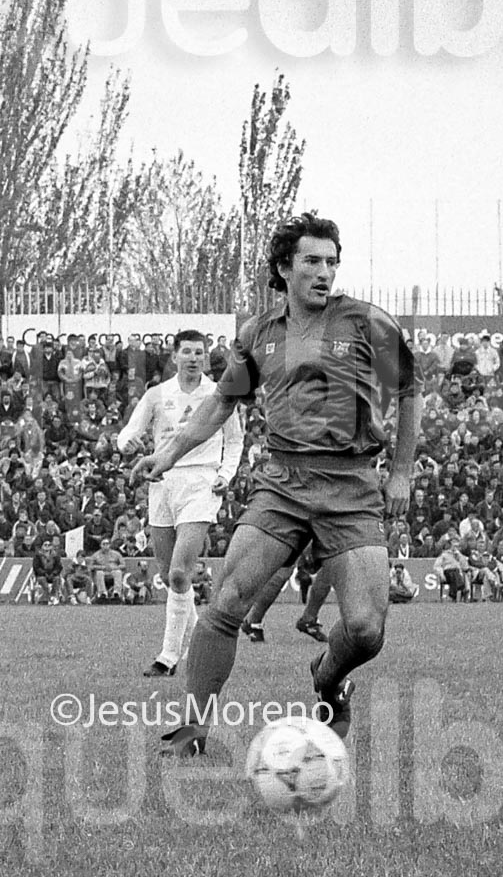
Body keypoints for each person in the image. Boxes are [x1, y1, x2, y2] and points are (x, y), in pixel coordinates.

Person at [135, 213, 418, 755]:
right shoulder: (258, 334)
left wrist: (401, 471)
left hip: (352, 485)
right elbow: (222, 402)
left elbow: (408, 392)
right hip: (283, 483)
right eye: (312, 261)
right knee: (226, 602)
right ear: (285, 268)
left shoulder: (368, 324)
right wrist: (168, 453)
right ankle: (192, 731)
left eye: (331, 262)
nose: (324, 272)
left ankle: (328, 677)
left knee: (365, 630)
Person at [118, 329, 243, 676]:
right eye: (186, 352)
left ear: (206, 358)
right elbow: (129, 431)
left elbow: (235, 441)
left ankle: (168, 657)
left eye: (199, 352)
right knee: (170, 576)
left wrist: (225, 474)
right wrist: (126, 444)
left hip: (201, 483)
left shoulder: (218, 394)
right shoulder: (158, 394)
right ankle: (202, 641)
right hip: (162, 481)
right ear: (174, 356)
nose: (193, 358)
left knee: (178, 572)